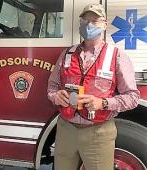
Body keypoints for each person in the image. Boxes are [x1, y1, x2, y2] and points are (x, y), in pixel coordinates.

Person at [47, 3, 140, 170]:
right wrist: (56, 96)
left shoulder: (117, 56)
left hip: (98, 132)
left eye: (95, 21)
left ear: (104, 25)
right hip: (65, 129)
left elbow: (133, 97)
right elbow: (52, 86)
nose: (89, 25)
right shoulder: (66, 54)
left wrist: (103, 103)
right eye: (85, 21)